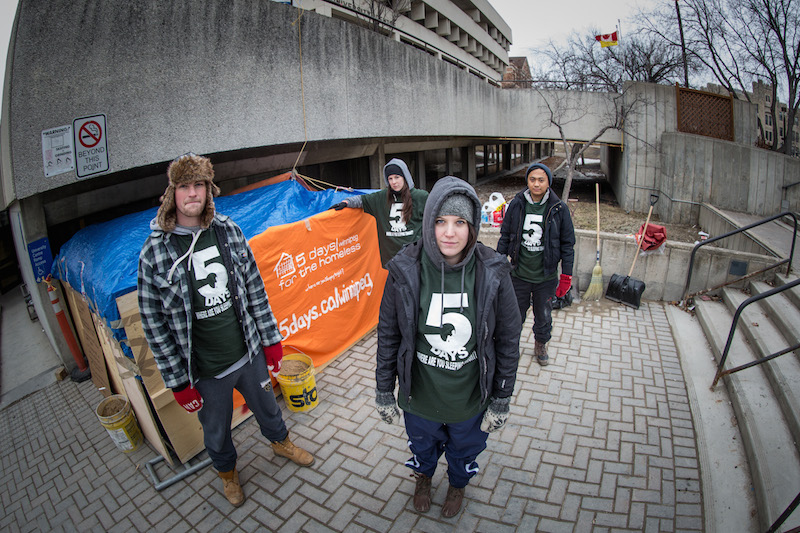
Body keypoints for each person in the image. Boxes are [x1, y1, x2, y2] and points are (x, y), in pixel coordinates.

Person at [137, 153, 314, 508]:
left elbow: (254, 289)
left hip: (247, 353)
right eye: (184, 186)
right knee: (215, 432)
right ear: (172, 193)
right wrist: (178, 381)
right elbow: (154, 324)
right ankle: (228, 474)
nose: (192, 193)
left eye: (198, 185)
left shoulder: (228, 231)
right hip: (205, 371)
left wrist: (271, 341)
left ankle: (280, 443)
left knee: (268, 409)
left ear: (208, 189)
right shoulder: (155, 252)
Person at [374, 176, 521, 518]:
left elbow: (508, 339)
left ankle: (457, 482)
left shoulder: (494, 272)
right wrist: (384, 390)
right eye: (441, 221)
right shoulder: (404, 269)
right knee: (422, 445)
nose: (449, 233)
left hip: (468, 397)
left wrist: (501, 396)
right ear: (429, 222)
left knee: (464, 448)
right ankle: (423, 476)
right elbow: (389, 334)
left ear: (473, 227)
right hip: (420, 396)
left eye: (460, 222)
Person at [497, 162, 575, 366]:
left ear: (548, 181)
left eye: (541, 180)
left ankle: (541, 344)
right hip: (519, 274)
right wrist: (497, 263)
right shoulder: (517, 204)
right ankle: (510, 346)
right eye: (532, 179)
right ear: (527, 181)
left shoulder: (559, 209)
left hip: (546, 277)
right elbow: (506, 235)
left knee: (544, 316)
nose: (536, 184)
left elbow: (568, 245)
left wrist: (566, 275)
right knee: (513, 315)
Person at [330, 158, 428, 266]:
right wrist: (346, 202)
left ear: (405, 177)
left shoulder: (421, 197)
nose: (394, 182)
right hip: (391, 261)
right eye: (390, 178)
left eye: (397, 177)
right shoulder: (382, 197)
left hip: (414, 259)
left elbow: (434, 219)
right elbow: (361, 200)